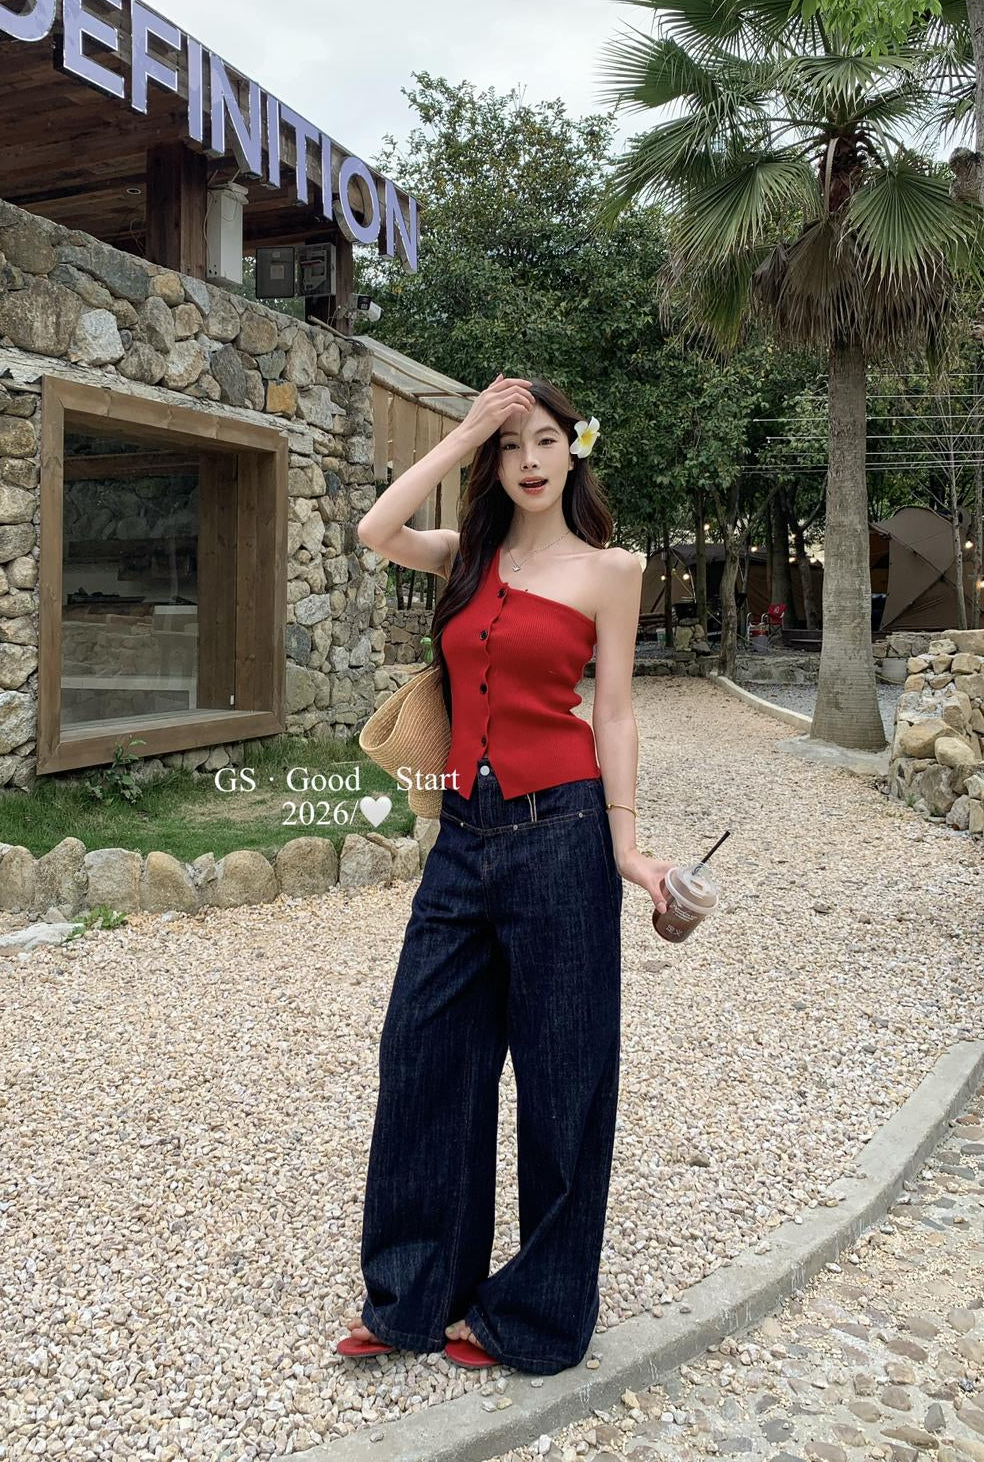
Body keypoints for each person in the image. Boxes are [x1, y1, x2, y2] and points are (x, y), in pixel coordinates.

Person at [338, 373, 672, 1375]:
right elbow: (375, 528)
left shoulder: (611, 570)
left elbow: (614, 712)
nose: (529, 461)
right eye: (510, 445)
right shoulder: (464, 555)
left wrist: (626, 845)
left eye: (545, 441)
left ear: (575, 451)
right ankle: (414, 1295)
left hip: (562, 833)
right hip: (462, 838)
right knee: (423, 1054)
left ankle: (535, 1314)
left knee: (565, 1077)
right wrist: (460, 435)